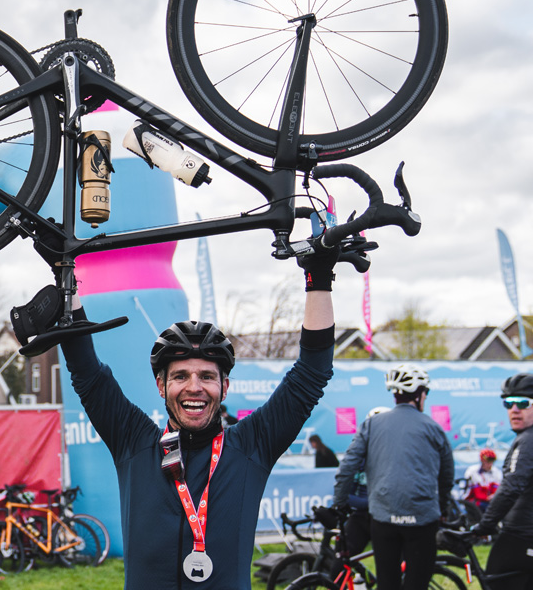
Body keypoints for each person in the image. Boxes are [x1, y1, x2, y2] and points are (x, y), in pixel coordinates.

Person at [59, 242, 339, 588]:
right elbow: (88, 374)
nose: (194, 387)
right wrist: (65, 274)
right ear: (161, 387)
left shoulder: (251, 445)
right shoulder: (134, 440)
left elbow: (310, 375)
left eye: (207, 376)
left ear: (225, 387)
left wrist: (320, 278)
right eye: (180, 376)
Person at [332, 363, 453, 590]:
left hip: (383, 518)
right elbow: (446, 476)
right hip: (421, 518)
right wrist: (444, 508)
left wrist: (339, 503)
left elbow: (347, 467)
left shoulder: (371, 424)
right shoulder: (433, 427)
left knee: (387, 583)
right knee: (417, 582)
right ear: (419, 395)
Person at [471, 373, 533, 589]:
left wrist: (485, 525)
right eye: (509, 403)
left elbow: (512, 486)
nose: (514, 410)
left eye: (523, 403)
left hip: (527, 534)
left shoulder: (531, 439)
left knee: (494, 583)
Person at [337, 406, 390, 557]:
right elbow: (347, 491)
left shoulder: (396, 458)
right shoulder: (359, 457)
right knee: (341, 559)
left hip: (386, 518)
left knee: (391, 565)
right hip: (361, 517)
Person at [462, 448, 501, 515]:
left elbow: (497, 489)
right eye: (488, 461)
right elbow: (467, 491)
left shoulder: (497, 472)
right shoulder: (472, 471)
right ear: (482, 461)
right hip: (475, 502)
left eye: (492, 461)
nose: (490, 464)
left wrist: (493, 496)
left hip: (490, 502)